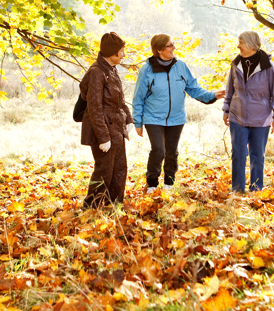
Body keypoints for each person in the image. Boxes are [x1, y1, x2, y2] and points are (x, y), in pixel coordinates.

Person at [132, 34, 225, 192]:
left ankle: (169, 182)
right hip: (153, 117)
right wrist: (138, 122)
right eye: (170, 45)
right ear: (160, 49)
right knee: (158, 150)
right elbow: (138, 97)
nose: (174, 48)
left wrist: (212, 95)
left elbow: (193, 88)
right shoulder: (147, 69)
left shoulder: (180, 66)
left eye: (173, 44)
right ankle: (152, 183)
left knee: (171, 152)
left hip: (176, 118)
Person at [222, 31, 274, 193]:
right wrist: (226, 109)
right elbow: (230, 89)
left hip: (261, 118)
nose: (238, 46)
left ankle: (256, 189)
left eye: (240, 42)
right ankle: (237, 190)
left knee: (257, 156)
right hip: (238, 116)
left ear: (250, 45)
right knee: (238, 155)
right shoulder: (236, 64)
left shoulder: (268, 66)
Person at [80, 32, 134, 209]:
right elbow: (94, 107)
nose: (124, 54)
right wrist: (103, 137)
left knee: (119, 169)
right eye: (121, 51)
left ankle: (114, 205)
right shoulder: (96, 72)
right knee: (104, 171)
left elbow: (119, 100)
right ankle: (91, 207)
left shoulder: (112, 69)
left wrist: (129, 120)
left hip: (116, 127)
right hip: (102, 129)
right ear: (112, 52)